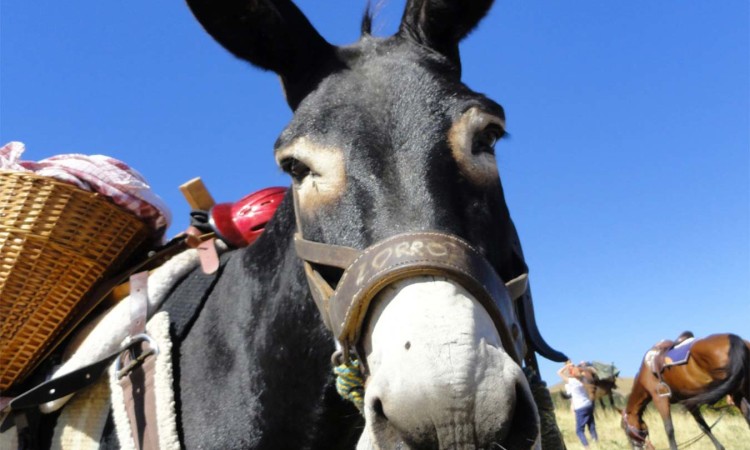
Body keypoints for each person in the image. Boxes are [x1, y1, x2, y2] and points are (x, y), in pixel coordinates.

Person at [558, 361, 598, 449]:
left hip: (580, 407)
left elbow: (559, 372)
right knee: (591, 426)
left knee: (579, 431)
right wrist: (576, 367)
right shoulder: (583, 379)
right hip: (588, 404)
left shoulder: (571, 381)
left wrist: (566, 366)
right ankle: (596, 444)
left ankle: (587, 447)